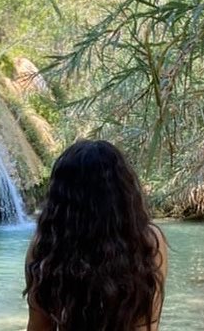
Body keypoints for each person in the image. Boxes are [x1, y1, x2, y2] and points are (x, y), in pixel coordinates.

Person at [24, 139, 168, 331]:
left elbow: (39, 327)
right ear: (124, 192)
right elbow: (147, 325)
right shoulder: (149, 241)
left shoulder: (46, 245)